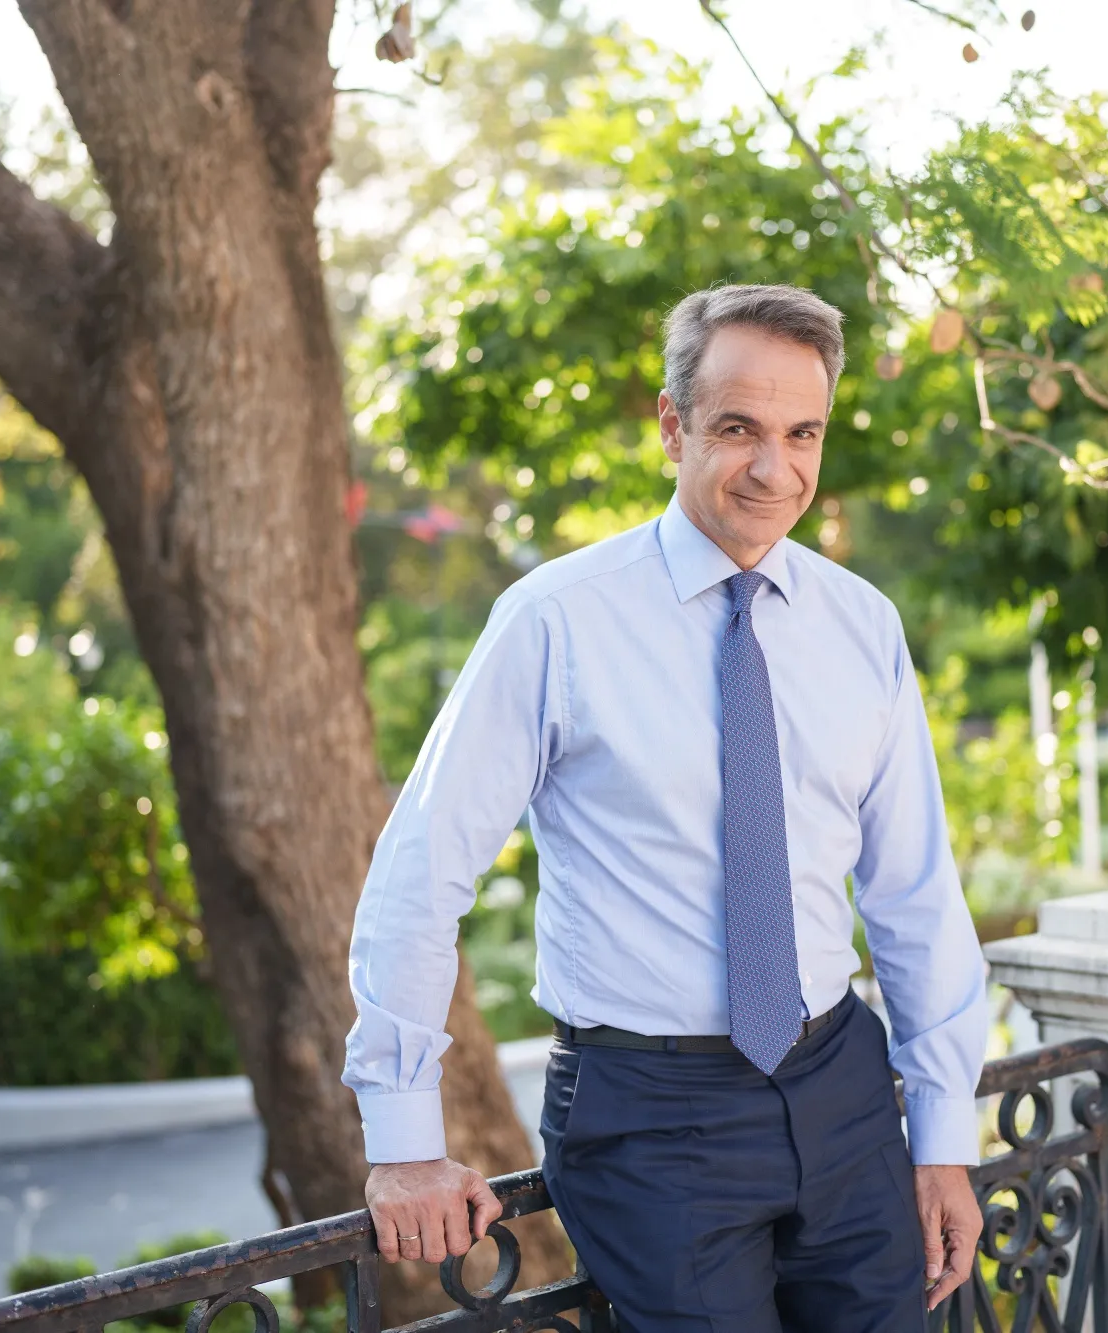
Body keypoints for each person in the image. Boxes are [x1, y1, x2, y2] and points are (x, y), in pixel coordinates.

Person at [343, 282, 989, 1330]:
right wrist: (405, 1139)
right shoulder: (553, 623)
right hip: (651, 1118)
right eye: (737, 428)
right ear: (671, 424)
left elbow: (914, 890)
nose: (773, 468)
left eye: (801, 432)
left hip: (843, 1093)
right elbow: (421, 870)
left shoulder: (860, 625)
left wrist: (945, 1139)